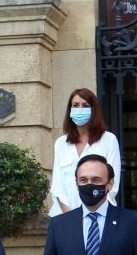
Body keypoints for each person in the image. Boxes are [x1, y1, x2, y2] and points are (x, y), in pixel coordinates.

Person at [49, 88, 121, 217]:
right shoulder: (61, 143)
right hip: (64, 217)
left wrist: (90, 214)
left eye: (85, 105)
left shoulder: (109, 140)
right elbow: (57, 187)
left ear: (94, 110)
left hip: (98, 217)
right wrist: (71, 218)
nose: (80, 109)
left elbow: (111, 184)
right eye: (75, 105)